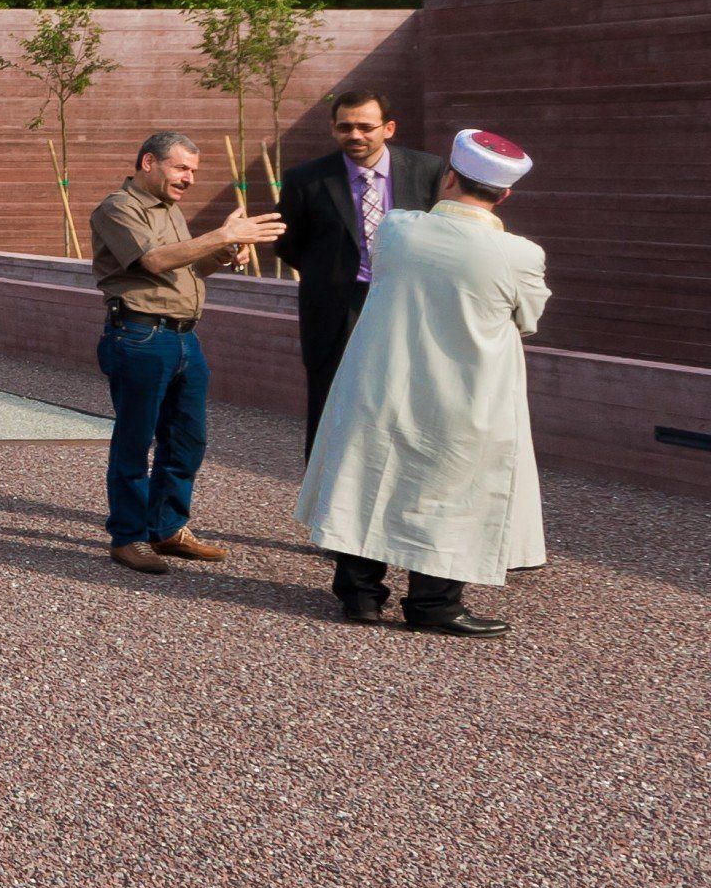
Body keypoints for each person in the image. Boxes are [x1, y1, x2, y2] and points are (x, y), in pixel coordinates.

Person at [296, 129, 549, 637]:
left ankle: (360, 596)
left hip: (383, 381)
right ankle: (435, 604)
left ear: (449, 176)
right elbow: (529, 318)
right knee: (449, 490)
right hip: (465, 391)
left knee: (366, 476)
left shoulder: (397, 228)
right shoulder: (520, 254)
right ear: (505, 195)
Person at [89, 130, 285, 575]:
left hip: (182, 339)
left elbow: (188, 266)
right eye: (181, 168)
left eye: (193, 170)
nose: (189, 178)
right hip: (140, 336)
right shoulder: (118, 208)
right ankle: (129, 537)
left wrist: (223, 252)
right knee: (135, 441)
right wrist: (220, 233)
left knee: (187, 440)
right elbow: (154, 262)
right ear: (148, 163)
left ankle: (167, 528)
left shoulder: (169, 210)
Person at [275, 88, 444, 453]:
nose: (355, 135)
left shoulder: (428, 171)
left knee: (405, 404)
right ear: (334, 129)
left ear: (389, 128)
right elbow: (288, 243)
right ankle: (322, 501)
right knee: (331, 407)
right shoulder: (305, 180)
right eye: (345, 127)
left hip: (406, 305)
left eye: (366, 127)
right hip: (336, 309)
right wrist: (332, 273)